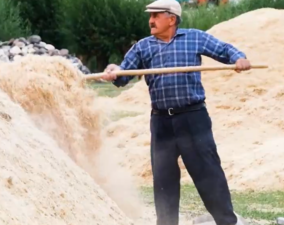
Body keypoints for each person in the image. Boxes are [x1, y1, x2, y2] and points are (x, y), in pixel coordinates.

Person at [101, 0, 250, 224]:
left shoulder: (194, 38)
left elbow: (225, 50)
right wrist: (114, 71)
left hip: (193, 118)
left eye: (156, 15)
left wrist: (238, 58)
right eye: (150, 16)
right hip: (161, 123)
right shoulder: (143, 46)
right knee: (164, 181)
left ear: (171, 19)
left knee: (209, 175)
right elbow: (123, 75)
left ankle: (227, 222)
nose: (150, 20)